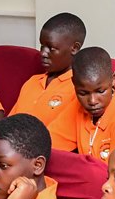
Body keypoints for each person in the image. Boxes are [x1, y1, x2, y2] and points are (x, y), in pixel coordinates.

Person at [8, 14, 86, 150]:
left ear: (74, 48)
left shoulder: (80, 89)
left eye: (51, 48)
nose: (43, 53)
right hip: (12, 154)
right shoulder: (32, 82)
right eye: (42, 46)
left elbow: (59, 142)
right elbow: (8, 126)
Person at [69, 48, 115, 161]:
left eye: (100, 91)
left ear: (113, 79)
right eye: (83, 93)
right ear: (73, 83)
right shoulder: (76, 107)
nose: (93, 101)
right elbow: (52, 144)